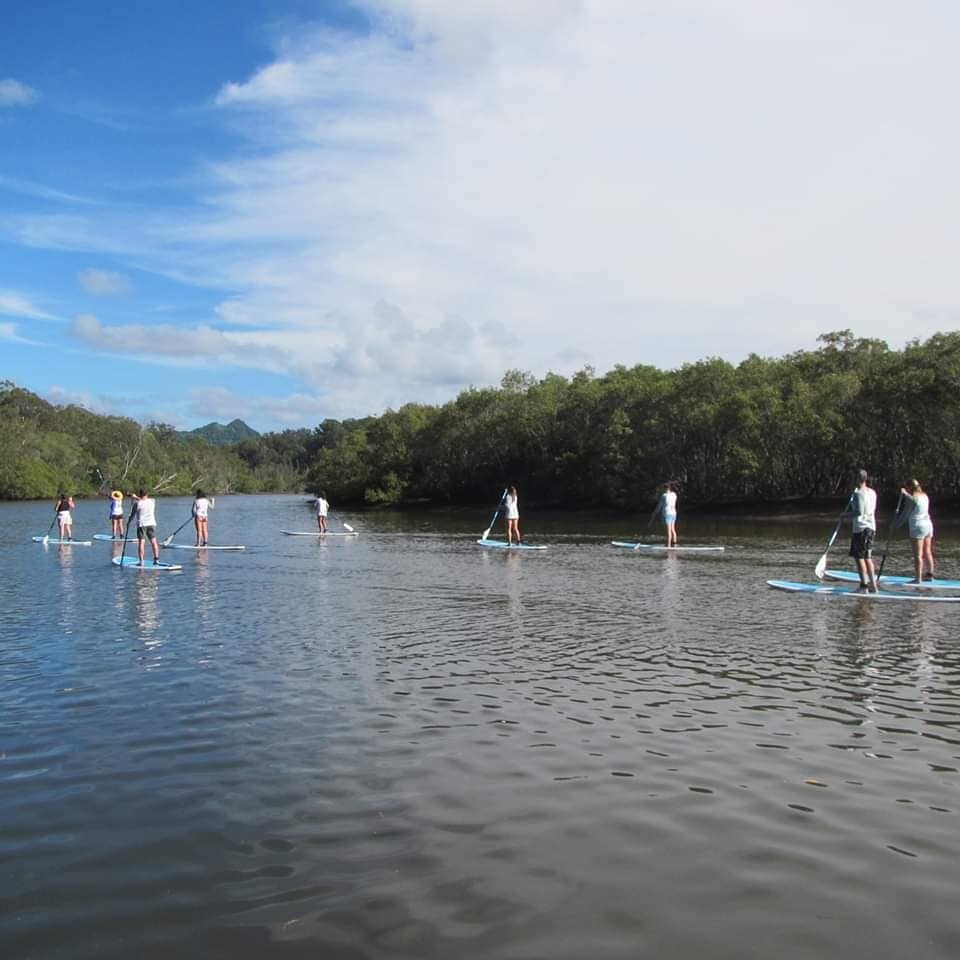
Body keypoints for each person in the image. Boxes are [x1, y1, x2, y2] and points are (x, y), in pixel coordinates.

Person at [844, 469, 878, 593]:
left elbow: (859, 512)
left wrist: (845, 515)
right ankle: (873, 586)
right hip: (871, 528)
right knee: (867, 557)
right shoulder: (873, 492)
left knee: (860, 558)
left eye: (855, 478)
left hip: (861, 529)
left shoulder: (858, 494)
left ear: (859, 479)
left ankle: (864, 586)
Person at [899, 478, 935, 582]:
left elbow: (905, 513)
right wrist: (906, 494)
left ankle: (917, 579)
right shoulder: (925, 496)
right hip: (928, 525)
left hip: (918, 526)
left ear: (910, 487)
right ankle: (929, 575)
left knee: (918, 554)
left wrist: (895, 525)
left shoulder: (913, 497)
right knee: (927, 551)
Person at [130, 488, 160, 565]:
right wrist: (136, 497)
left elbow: (132, 515)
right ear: (147, 494)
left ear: (140, 494)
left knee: (141, 542)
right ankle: (156, 559)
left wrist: (128, 522)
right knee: (154, 541)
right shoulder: (152, 501)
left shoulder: (137, 504)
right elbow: (143, 499)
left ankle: (141, 561)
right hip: (151, 523)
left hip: (142, 524)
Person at [650, 481, 678, 547]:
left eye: (663, 488)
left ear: (665, 488)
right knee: (673, 529)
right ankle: (674, 543)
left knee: (668, 530)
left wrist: (654, 513)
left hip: (667, 514)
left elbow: (659, 506)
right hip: (673, 513)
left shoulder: (664, 496)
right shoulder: (674, 494)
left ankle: (668, 545)